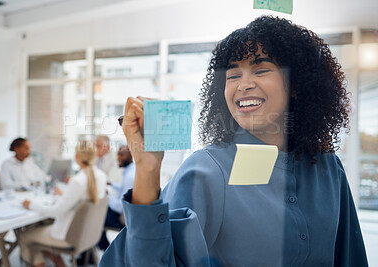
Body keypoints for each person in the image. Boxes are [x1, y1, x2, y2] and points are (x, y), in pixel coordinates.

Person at [99, 16, 368, 266]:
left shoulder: (329, 168)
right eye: (233, 75)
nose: (244, 84)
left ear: (296, 84)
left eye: (261, 70)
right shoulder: (206, 171)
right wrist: (147, 171)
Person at [19, 140, 107, 267]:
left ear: (77, 157)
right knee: (42, 227)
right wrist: (65, 193)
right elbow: (84, 196)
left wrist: (31, 205)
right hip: (86, 235)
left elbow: (56, 211)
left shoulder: (78, 181)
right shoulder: (101, 176)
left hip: (68, 236)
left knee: (25, 237)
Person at [97, 145, 135, 251]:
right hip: (122, 212)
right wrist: (111, 184)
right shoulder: (130, 170)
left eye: (121, 155)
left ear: (131, 156)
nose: (118, 158)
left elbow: (119, 207)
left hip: (121, 218)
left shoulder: (130, 176)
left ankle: (107, 250)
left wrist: (107, 197)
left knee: (95, 218)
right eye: (118, 154)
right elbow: (123, 189)